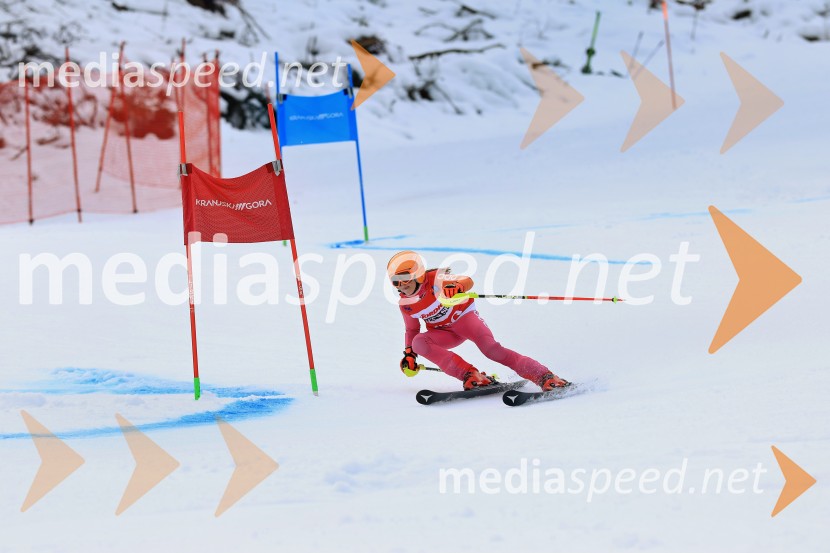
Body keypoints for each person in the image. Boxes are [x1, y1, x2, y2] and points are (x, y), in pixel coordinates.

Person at [388, 250, 569, 391]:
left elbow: (467, 280)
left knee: (491, 350)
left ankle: (545, 376)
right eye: (396, 281)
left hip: (464, 319)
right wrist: (410, 355)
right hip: (443, 333)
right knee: (418, 342)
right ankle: (471, 375)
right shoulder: (406, 304)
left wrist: (456, 287)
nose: (402, 285)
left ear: (418, 274)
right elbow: (412, 331)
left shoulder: (437, 278)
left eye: (405, 278)